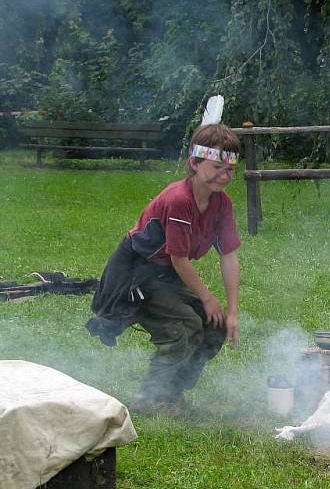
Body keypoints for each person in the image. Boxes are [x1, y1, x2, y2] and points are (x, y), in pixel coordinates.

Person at [86, 123, 241, 415]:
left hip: (166, 273)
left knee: (214, 327)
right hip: (136, 273)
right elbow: (179, 260)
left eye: (231, 169)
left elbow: (229, 256)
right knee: (184, 326)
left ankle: (170, 393)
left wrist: (231, 312)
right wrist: (207, 298)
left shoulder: (222, 204)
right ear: (193, 163)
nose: (224, 175)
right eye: (217, 166)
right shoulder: (179, 200)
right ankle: (150, 396)